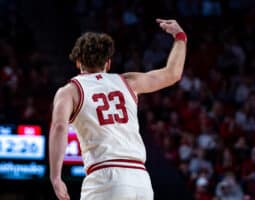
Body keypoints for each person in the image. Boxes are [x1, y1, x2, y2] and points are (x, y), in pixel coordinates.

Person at [49, 19, 187, 200]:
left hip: (106, 177)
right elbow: (173, 74)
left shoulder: (70, 91)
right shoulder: (127, 81)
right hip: (141, 180)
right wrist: (180, 37)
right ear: (108, 63)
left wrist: (56, 177)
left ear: (78, 62)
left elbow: (59, 127)